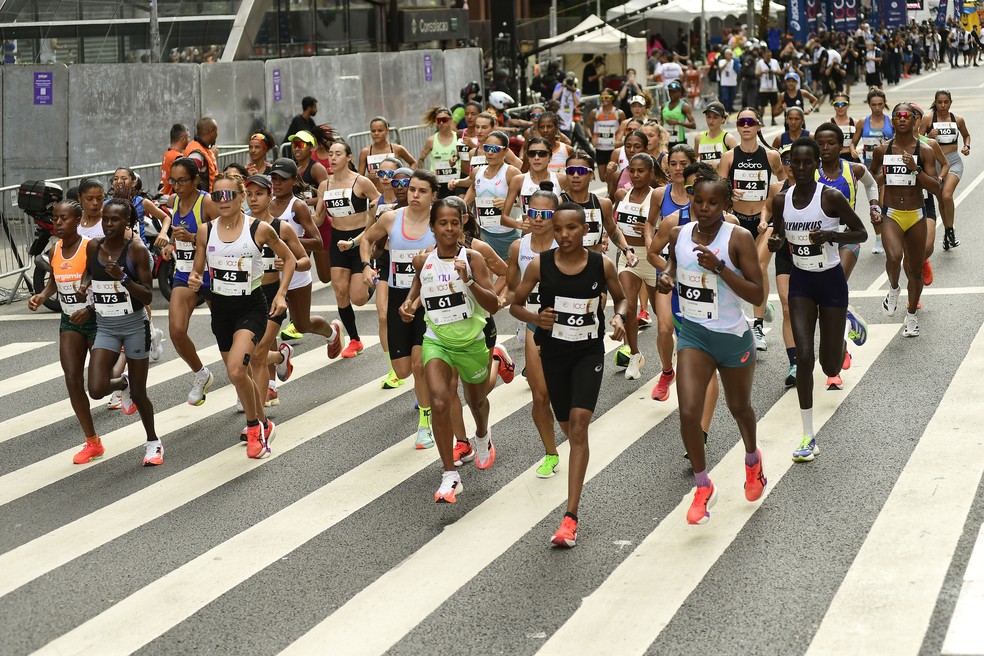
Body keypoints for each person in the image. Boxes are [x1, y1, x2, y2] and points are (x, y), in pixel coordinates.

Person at [510, 202, 628, 547]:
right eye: (558, 229)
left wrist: (619, 317)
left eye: (571, 228)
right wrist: (536, 319)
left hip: (588, 353)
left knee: (578, 426)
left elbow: (621, 299)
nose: (564, 235)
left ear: (585, 229)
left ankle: (570, 517)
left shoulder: (601, 264)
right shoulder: (540, 265)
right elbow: (515, 304)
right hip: (554, 354)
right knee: (567, 425)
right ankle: (576, 453)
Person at [656, 172, 767, 525]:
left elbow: (757, 294)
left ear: (726, 205)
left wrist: (719, 267)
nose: (704, 208)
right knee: (688, 412)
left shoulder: (738, 238)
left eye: (713, 203)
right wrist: (666, 277)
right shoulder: (678, 234)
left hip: (732, 337)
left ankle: (752, 460)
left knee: (739, 408)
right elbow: (674, 264)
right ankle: (703, 486)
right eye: (698, 201)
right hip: (695, 334)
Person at [768, 137, 868, 463]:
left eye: (806, 162)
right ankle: (808, 435)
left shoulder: (830, 197)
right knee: (804, 358)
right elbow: (779, 233)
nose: (800, 168)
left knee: (830, 365)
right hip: (801, 284)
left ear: (816, 164)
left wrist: (831, 235)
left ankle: (844, 329)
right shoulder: (781, 200)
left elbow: (861, 233)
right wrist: (776, 241)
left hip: (831, 283)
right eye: (794, 163)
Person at [398, 198, 500, 503]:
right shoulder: (423, 261)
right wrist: (408, 305)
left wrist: (469, 280)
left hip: (471, 342)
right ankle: (449, 474)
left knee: (476, 401)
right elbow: (417, 287)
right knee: (440, 401)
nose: (449, 228)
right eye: (442, 223)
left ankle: (482, 435)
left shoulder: (473, 258)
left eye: (454, 222)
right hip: (437, 340)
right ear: (432, 226)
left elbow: (493, 305)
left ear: (462, 225)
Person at [188, 173, 296, 459]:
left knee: (236, 370)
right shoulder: (205, 231)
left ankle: (254, 429)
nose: (222, 201)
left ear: (240, 198)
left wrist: (281, 294)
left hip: (251, 307)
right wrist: (195, 278)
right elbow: (197, 269)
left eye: (229, 195)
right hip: (221, 310)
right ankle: (263, 422)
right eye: (217, 196)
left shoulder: (259, 229)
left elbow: (290, 259)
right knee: (238, 375)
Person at [360, 170, 440, 448]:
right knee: (403, 370)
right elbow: (367, 239)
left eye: (422, 191)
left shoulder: (437, 224)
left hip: (427, 300)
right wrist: (366, 266)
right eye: (413, 189)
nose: (415, 195)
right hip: (398, 296)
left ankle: (425, 424)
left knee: (419, 364)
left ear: (433, 196)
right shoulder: (391, 218)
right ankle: (429, 385)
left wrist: (415, 303)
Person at [85, 196, 160, 466]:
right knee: (96, 389)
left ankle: (153, 441)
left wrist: (123, 278)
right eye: (105, 219)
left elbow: (148, 296)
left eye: (114, 220)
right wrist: (83, 287)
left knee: (140, 394)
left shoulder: (136, 250)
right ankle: (122, 383)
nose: (108, 224)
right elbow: (89, 271)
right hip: (106, 326)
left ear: (127, 221)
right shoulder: (94, 246)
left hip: (134, 326)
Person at [28, 200, 101, 464]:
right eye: (55, 218)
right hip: (69, 321)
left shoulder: (90, 247)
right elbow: (54, 281)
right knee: (72, 379)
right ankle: (92, 442)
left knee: (99, 386)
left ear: (78, 221)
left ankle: (123, 385)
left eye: (64, 218)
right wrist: (42, 295)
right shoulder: (54, 250)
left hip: (97, 320)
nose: (58, 223)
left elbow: (107, 283)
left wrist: (90, 310)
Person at [870, 103, 941, 338]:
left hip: (916, 214)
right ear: (892, 120)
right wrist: (878, 189)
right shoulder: (882, 150)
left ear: (914, 120)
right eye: (897, 115)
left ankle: (911, 316)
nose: (902, 118)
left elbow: (936, 187)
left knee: (915, 271)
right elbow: (872, 179)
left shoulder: (925, 150)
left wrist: (915, 169)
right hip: (892, 213)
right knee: (893, 257)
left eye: (906, 115)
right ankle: (893, 288)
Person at [717, 107, 784, 351]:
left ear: (758, 126)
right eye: (741, 122)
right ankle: (761, 305)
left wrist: (776, 200)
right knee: (739, 271)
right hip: (737, 220)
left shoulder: (771, 156)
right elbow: (718, 188)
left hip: (764, 221)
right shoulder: (729, 157)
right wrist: (728, 192)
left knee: (759, 267)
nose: (745, 126)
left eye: (750, 122)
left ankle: (757, 325)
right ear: (737, 126)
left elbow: (783, 180)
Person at [241, 174, 308, 411]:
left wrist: (291, 264)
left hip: (272, 295)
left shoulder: (282, 228)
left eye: (259, 194)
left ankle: (259, 409)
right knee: (249, 351)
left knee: (258, 351)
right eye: (249, 194)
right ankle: (281, 356)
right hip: (246, 296)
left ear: (270, 196)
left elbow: (305, 261)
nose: (253, 199)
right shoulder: (240, 227)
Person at [267, 157, 343, 356]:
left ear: (294, 179)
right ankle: (274, 367)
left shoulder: (297, 206)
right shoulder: (265, 204)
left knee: (301, 324)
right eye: (274, 179)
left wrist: (288, 242)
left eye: (282, 179)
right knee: (267, 322)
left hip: (296, 273)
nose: (277, 184)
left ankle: (332, 332)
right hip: (270, 273)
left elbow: (318, 242)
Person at [313, 141, 381, 358]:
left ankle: (373, 277)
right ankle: (354, 339)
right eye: (330, 154)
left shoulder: (361, 182)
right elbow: (318, 218)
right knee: (340, 292)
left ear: (349, 157)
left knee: (358, 298)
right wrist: (297, 216)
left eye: (338, 154)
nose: (333, 158)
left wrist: (373, 218)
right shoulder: (324, 186)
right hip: (338, 242)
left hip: (361, 241)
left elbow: (379, 201)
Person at [163, 158, 219, 405]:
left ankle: (245, 386)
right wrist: (170, 243)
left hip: (213, 274)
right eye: (173, 181)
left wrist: (194, 237)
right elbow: (174, 229)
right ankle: (201, 374)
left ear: (196, 179)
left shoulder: (206, 202)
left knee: (225, 334)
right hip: (185, 273)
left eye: (182, 181)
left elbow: (226, 234)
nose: (176, 186)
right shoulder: (174, 201)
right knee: (176, 331)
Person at [611, 153, 655, 380]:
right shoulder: (622, 194)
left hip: (652, 259)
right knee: (628, 307)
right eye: (632, 170)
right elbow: (613, 224)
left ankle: (676, 352)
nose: (636, 175)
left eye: (641, 171)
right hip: (628, 257)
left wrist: (650, 230)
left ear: (651, 173)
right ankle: (635, 354)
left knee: (663, 315)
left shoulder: (657, 197)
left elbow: (668, 227)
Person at [456, 131, 523, 260]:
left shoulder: (511, 172)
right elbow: (470, 195)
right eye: (487, 148)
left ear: (505, 151)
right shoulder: (477, 172)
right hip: (483, 233)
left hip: (507, 235)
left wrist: (511, 203)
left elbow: (528, 201)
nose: (490, 152)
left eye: (495, 149)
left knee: (509, 271)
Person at [921, 89, 971, 250]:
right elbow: (917, 139)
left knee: (947, 195)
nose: (943, 105)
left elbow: (966, 135)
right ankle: (947, 231)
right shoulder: (928, 118)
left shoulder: (958, 119)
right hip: (934, 164)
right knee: (941, 200)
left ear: (951, 103)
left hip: (954, 161)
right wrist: (929, 135)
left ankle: (950, 230)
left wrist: (966, 146)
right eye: (939, 102)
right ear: (935, 103)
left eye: (946, 102)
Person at [852, 88, 893, 254]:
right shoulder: (863, 122)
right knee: (875, 206)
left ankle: (890, 236)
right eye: (874, 104)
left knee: (884, 204)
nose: (877, 108)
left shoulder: (891, 121)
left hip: (888, 168)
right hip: (871, 169)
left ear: (884, 104)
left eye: (880, 104)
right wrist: (853, 149)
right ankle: (878, 239)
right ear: (869, 104)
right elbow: (853, 142)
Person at [418, 106, 462, 199]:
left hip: (455, 182)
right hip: (438, 184)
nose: (441, 123)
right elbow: (421, 159)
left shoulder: (458, 137)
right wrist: (422, 176)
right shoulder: (431, 140)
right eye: (439, 120)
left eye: (444, 120)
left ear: (450, 120)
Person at [586, 88, 625, 177]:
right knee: (603, 177)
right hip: (600, 147)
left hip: (613, 148)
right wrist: (591, 138)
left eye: (607, 97)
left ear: (612, 98)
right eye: (602, 97)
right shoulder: (595, 112)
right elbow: (587, 126)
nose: (604, 99)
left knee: (612, 174)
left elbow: (624, 128)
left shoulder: (619, 113)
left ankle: (611, 186)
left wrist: (619, 140)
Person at [288, 130, 330, 208]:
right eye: (294, 145)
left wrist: (307, 202)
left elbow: (328, 195)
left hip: (316, 214)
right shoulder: (292, 167)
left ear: (311, 147)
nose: (296, 148)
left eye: (301, 145)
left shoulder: (316, 168)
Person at [693, 102, 737, 169]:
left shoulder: (728, 139)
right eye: (708, 117)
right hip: (703, 175)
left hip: (721, 176)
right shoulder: (698, 138)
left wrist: (718, 165)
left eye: (715, 117)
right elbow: (695, 158)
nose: (711, 121)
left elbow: (737, 161)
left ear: (723, 119)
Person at [184, 117, 219, 192]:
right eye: (216, 131)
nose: (217, 134)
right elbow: (190, 181)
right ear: (211, 131)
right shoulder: (196, 153)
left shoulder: (203, 149)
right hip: (202, 198)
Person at [661, 80, 696, 149]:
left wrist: (677, 122)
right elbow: (661, 122)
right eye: (670, 91)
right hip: (666, 141)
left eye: (674, 92)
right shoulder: (664, 106)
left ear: (679, 92)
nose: (671, 94)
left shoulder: (684, 106)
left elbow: (693, 125)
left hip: (679, 141)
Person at [160, 123, 190, 195]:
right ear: (183, 139)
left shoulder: (167, 154)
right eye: (188, 137)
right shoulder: (178, 158)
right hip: (172, 196)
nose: (189, 140)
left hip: (164, 195)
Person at [830, 93, 860, 162]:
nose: (840, 107)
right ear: (833, 105)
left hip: (852, 158)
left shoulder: (856, 123)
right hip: (835, 159)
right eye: (837, 104)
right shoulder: (828, 123)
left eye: (843, 104)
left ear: (848, 105)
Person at [756, 50, 782, 125]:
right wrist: (762, 72)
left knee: (774, 105)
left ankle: (773, 119)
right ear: (764, 55)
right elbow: (756, 74)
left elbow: (780, 72)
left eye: (770, 55)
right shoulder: (760, 63)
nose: (769, 57)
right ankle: (761, 119)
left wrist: (774, 72)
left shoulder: (775, 62)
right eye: (767, 55)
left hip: (773, 87)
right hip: (764, 88)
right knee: (762, 105)